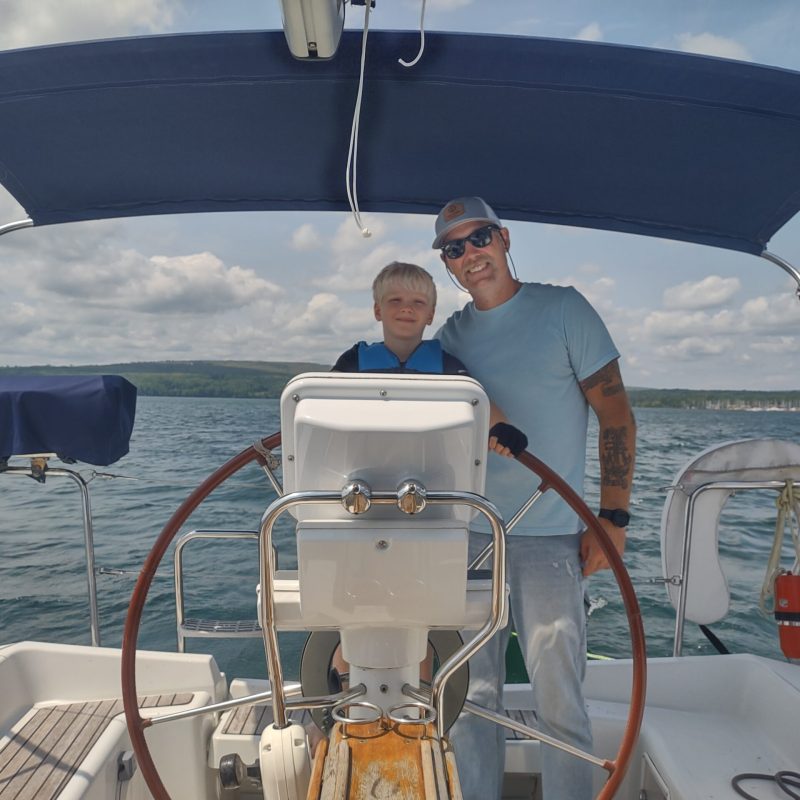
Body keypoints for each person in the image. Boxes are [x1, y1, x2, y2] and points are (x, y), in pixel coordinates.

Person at [431, 197, 636, 800]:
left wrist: (612, 519)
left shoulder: (565, 308)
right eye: (454, 247)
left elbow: (617, 416)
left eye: (480, 237)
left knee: (558, 695)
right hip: (469, 535)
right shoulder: (450, 338)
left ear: (505, 238)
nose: (471, 254)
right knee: (473, 698)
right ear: (446, 264)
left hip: (550, 535)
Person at [332, 261, 528, 458]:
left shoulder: (448, 368)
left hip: (431, 480)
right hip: (362, 477)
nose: (407, 308)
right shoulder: (353, 362)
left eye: (418, 302)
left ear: (430, 315)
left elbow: (478, 403)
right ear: (377, 310)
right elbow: (320, 403)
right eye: (395, 300)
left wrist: (502, 430)